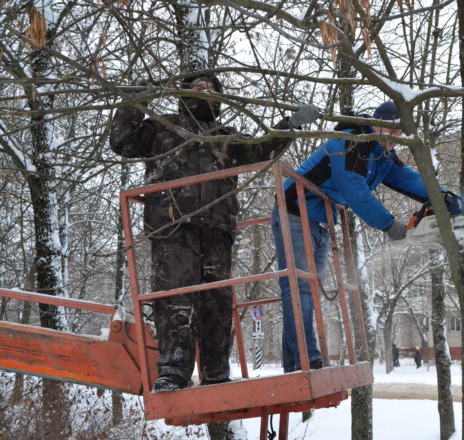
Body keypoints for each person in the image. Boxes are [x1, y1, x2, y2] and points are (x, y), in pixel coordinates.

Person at [110, 73, 320, 391]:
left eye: (211, 90)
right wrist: (136, 99)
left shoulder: (227, 137)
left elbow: (262, 150)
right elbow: (122, 143)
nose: (204, 93)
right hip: (172, 227)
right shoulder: (161, 127)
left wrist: (292, 123)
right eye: (197, 88)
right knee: (175, 298)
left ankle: (216, 371)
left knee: (217, 303)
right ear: (183, 93)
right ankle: (173, 372)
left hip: (217, 230)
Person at [272, 100, 460, 373]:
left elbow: (406, 178)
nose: (397, 140)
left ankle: (298, 362)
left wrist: (443, 197)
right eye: (393, 132)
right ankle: (304, 360)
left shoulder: (381, 154)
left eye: (400, 134)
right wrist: (389, 225)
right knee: (299, 288)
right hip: (293, 212)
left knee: (309, 291)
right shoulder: (350, 143)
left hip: (320, 221)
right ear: (378, 123)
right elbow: (355, 191)